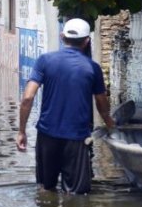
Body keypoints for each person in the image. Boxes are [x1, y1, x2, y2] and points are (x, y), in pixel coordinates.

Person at [17, 18, 115, 194]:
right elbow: (101, 103)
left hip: (47, 134)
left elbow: (27, 98)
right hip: (77, 137)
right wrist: (111, 125)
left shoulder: (44, 60)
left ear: (62, 37)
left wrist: (22, 131)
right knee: (76, 195)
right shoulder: (93, 67)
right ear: (87, 41)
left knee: (45, 189)